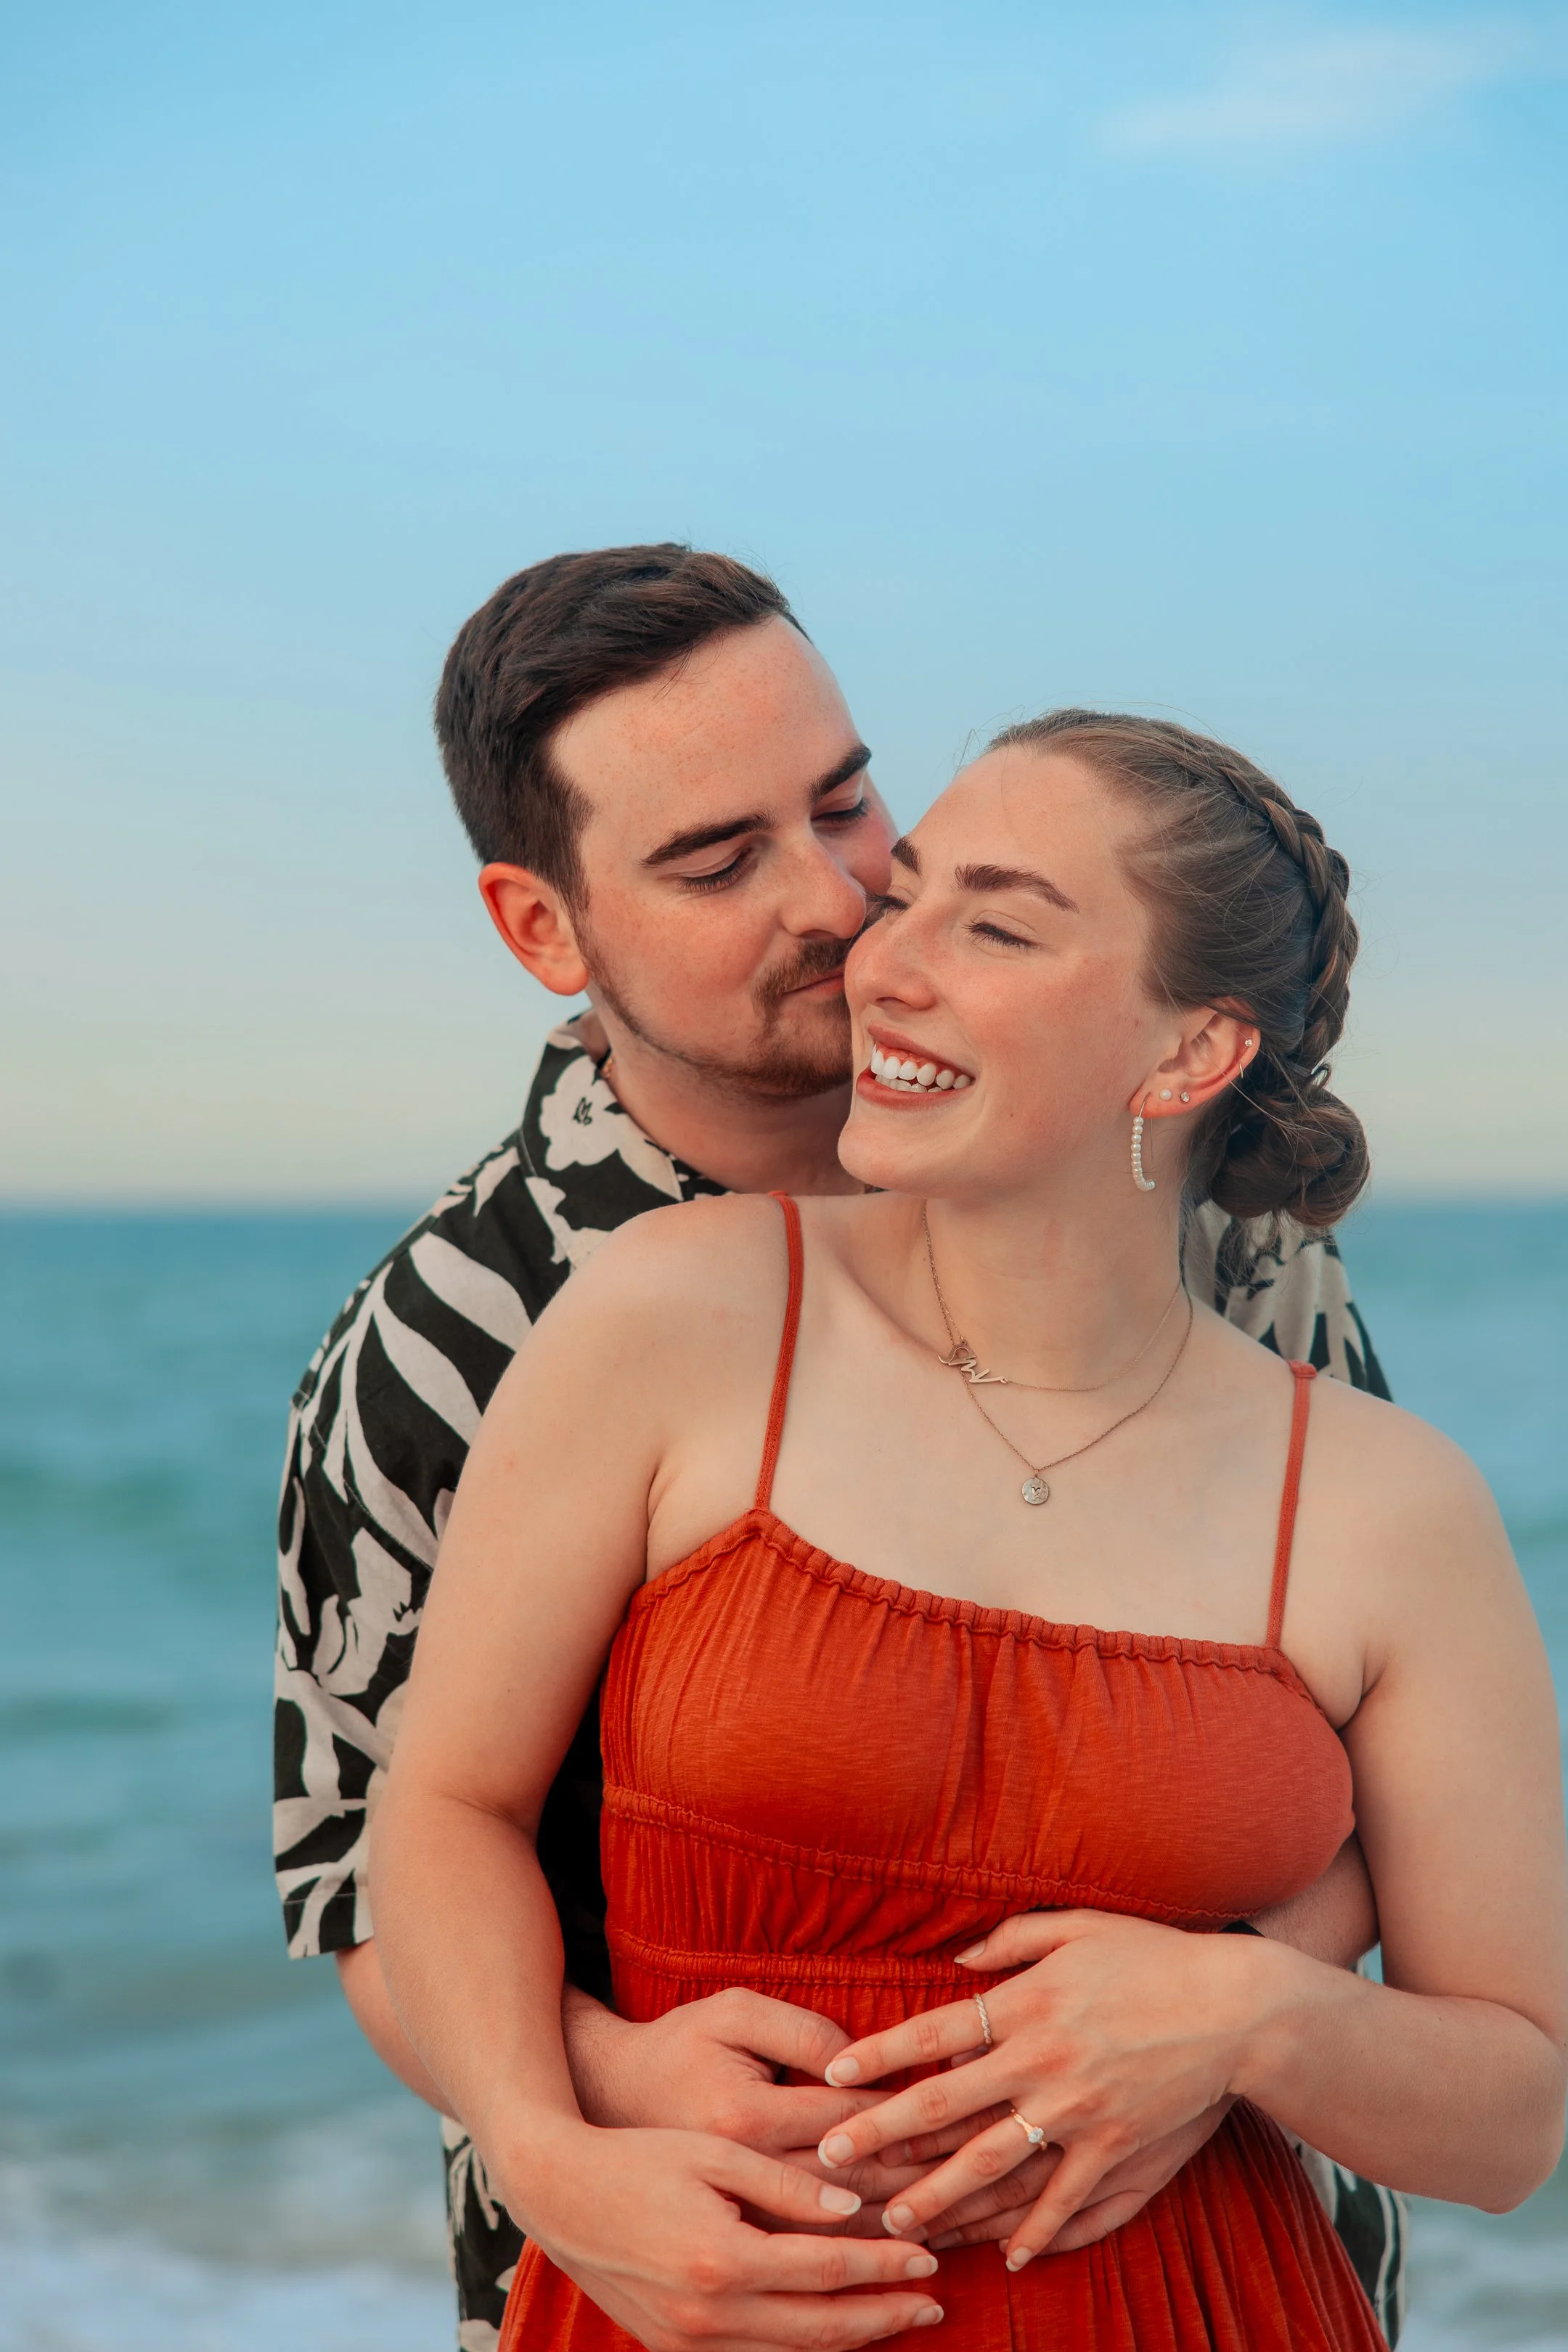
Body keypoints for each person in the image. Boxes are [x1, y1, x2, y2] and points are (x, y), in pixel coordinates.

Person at [273, 553, 1402, 2345]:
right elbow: (366, 1868)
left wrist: (1220, 2020)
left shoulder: (1211, 1226)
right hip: (706, 2268)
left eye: (846, 801)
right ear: (544, 929)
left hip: (1213, 2247)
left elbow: (1379, 1752)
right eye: (718, 861)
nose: (837, 897)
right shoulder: (448, 1337)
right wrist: (590, 2094)